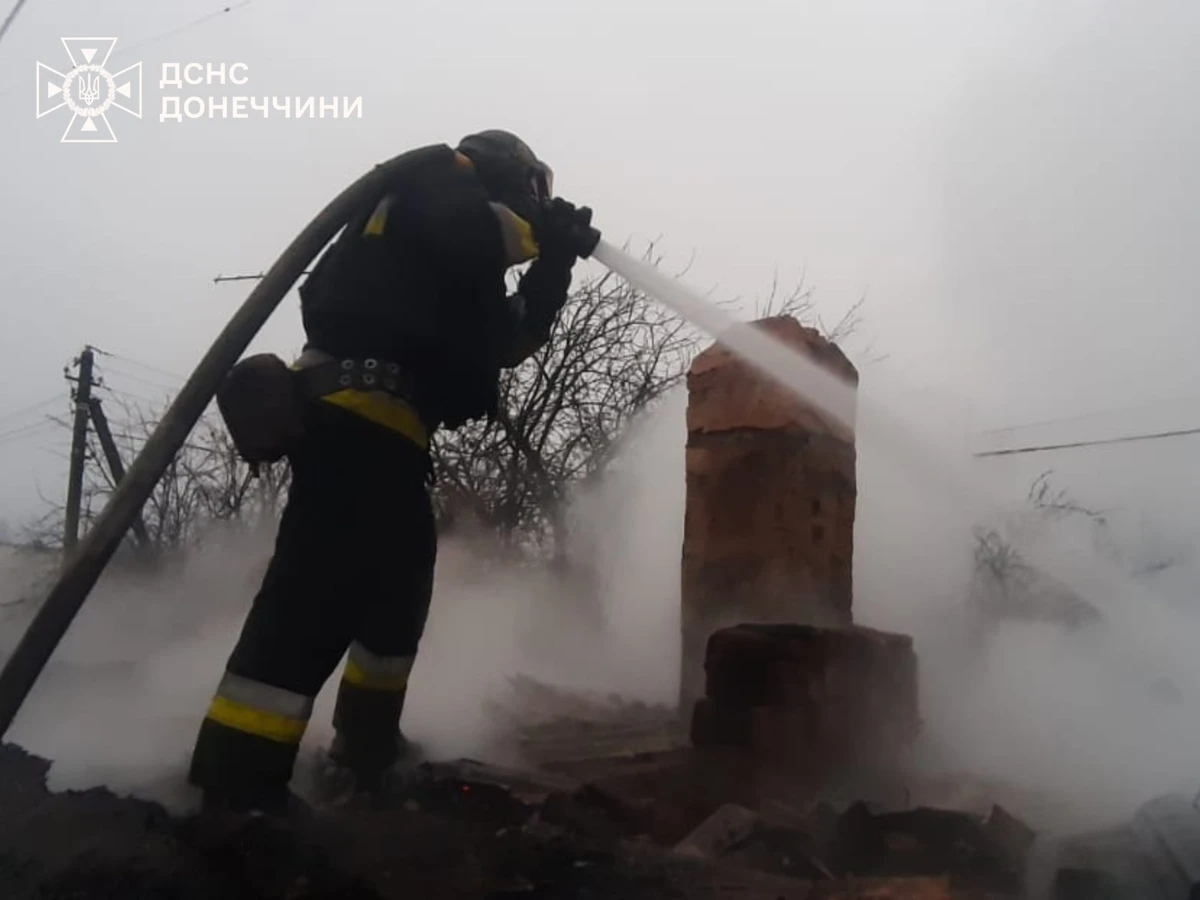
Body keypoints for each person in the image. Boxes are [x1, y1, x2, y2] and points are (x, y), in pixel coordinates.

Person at [186, 130, 597, 816]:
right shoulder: (438, 179)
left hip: (391, 439)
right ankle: (236, 788)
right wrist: (542, 235)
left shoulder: (454, 267)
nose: (534, 206)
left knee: (397, 600)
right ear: (504, 172)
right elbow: (476, 236)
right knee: (314, 599)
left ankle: (365, 753)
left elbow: (508, 341)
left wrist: (554, 265)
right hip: (350, 422)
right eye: (533, 192)